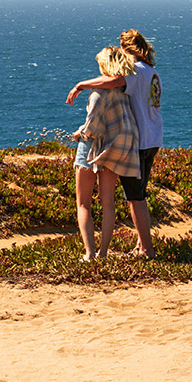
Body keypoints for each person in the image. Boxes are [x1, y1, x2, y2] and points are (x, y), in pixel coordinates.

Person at [68, 29, 161, 257]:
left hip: (138, 142)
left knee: (135, 198)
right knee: (137, 195)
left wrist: (81, 85)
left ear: (128, 49)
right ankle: (140, 244)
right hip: (153, 136)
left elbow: (114, 80)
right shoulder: (151, 71)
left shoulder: (136, 71)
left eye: (122, 48)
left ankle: (146, 248)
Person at [70, 46, 140, 261]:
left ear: (104, 64)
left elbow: (92, 127)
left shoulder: (98, 93)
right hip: (115, 151)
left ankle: (89, 253)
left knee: (83, 204)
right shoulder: (125, 91)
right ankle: (104, 252)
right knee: (108, 204)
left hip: (91, 149)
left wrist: (78, 133)